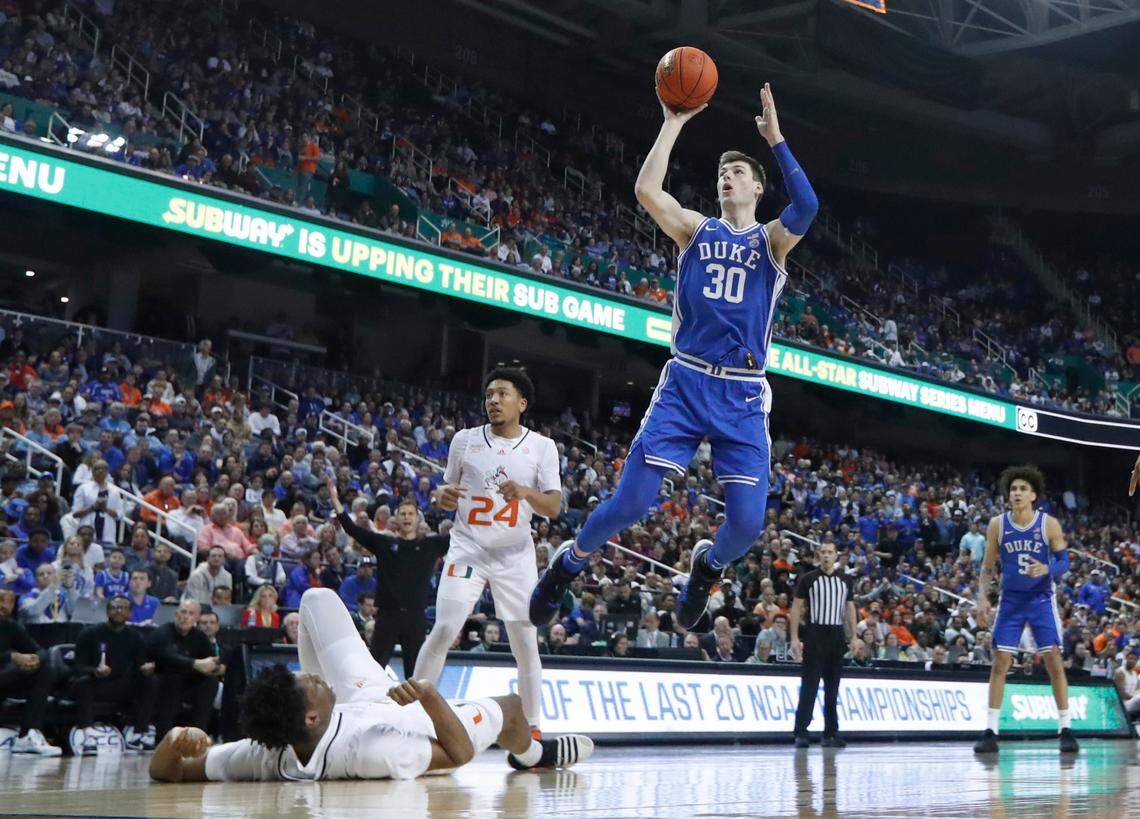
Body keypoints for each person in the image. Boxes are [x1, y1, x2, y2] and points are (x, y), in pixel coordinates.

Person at [531, 82, 816, 632]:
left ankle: (706, 570)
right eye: (720, 174)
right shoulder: (693, 228)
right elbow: (646, 189)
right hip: (685, 382)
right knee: (631, 504)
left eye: (736, 173)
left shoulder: (773, 242)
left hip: (742, 392)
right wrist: (673, 122)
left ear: (757, 188)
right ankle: (569, 563)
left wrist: (776, 140)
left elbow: (808, 205)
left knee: (747, 526)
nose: (725, 179)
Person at [150, 589, 592, 782]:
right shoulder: (376, 753)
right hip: (411, 714)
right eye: (307, 683)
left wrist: (172, 743)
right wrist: (430, 696)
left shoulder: (264, 752)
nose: (310, 674)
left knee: (317, 600)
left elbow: (170, 774)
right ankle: (534, 755)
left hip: (356, 698)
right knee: (512, 706)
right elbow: (458, 757)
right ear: (310, 713)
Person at [415, 369, 561, 737]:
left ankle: (533, 728)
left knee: (525, 643)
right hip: (469, 548)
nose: (492, 401)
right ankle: (414, 714)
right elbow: (446, 490)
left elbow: (554, 508)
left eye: (502, 394)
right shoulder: (464, 440)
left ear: (521, 403)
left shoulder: (542, 447)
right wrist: (440, 496)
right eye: (489, 395)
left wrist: (527, 493)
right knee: (446, 627)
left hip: (514, 555)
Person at [973, 465, 1078, 754]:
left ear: (1033, 495)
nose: (1016, 493)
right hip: (1011, 600)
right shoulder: (998, 524)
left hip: (1041, 598)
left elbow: (1065, 562)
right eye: (1013, 489)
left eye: (1022, 489)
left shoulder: (1048, 524)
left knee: (1054, 661)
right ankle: (991, 730)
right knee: (1000, 662)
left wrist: (1047, 568)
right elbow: (987, 566)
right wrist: (982, 598)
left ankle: (1065, 728)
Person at [329, 475, 448, 674]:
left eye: (411, 513)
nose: (407, 517)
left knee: (416, 674)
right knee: (375, 669)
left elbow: (462, 535)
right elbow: (352, 529)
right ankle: (369, 704)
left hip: (415, 616)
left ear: (418, 518)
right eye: (403, 514)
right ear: (396, 518)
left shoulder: (431, 545)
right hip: (387, 615)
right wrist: (335, 500)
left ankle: (415, 706)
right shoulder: (384, 543)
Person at [69, 595, 158, 753]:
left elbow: (140, 665)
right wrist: (95, 672)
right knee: (83, 683)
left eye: (124, 608)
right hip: (96, 683)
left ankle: (139, 733)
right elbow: (77, 667)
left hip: (122, 685)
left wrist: (146, 668)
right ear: (107, 611)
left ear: (130, 614)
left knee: (150, 681)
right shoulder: (89, 634)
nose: (119, 611)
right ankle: (87, 733)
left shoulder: (135, 637)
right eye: (115, 607)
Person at [790, 541, 856, 748]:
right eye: (823, 552)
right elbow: (796, 608)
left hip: (836, 634)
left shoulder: (845, 580)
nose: (826, 555)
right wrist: (794, 638)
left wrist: (854, 636)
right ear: (819, 555)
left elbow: (850, 609)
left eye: (830, 552)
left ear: (836, 555)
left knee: (832, 687)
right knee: (809, 685)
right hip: (815, 633)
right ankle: (801, 732)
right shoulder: (808, 579)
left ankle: (830, 733)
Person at [148, 599, 223, 741]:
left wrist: (216, 666)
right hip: (165, 680)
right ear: (176, 614)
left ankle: (198, 736)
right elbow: (168, 656)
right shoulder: (163, 632)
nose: (186, 616)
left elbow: (211, 659)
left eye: (191, 613)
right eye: (183, 612)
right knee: (171, 680)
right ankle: (163, 740)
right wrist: (195, 663)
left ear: (196, 618)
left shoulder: (199, 636)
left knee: (210, 682)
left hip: (189, 683)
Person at [0, 589, 61, 755]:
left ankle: (27, 735)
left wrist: (34, 659)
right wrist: (13, 657)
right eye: (0, 600)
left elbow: (39, 650)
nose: (4, 605)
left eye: (9, 601)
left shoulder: (10, 626)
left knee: (44, 670)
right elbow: (12, 657)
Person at [1113, 651, 1140, 718]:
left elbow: (1137, 689)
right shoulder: (1120, 672)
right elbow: (1121, 693)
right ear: (1126, 659)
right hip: (1123, 703)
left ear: (1137, 662)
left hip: (1132, 701)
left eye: (1134, 659)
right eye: (1130, 658)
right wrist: (1134, 698)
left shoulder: (1134, 674)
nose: (1132, 661)